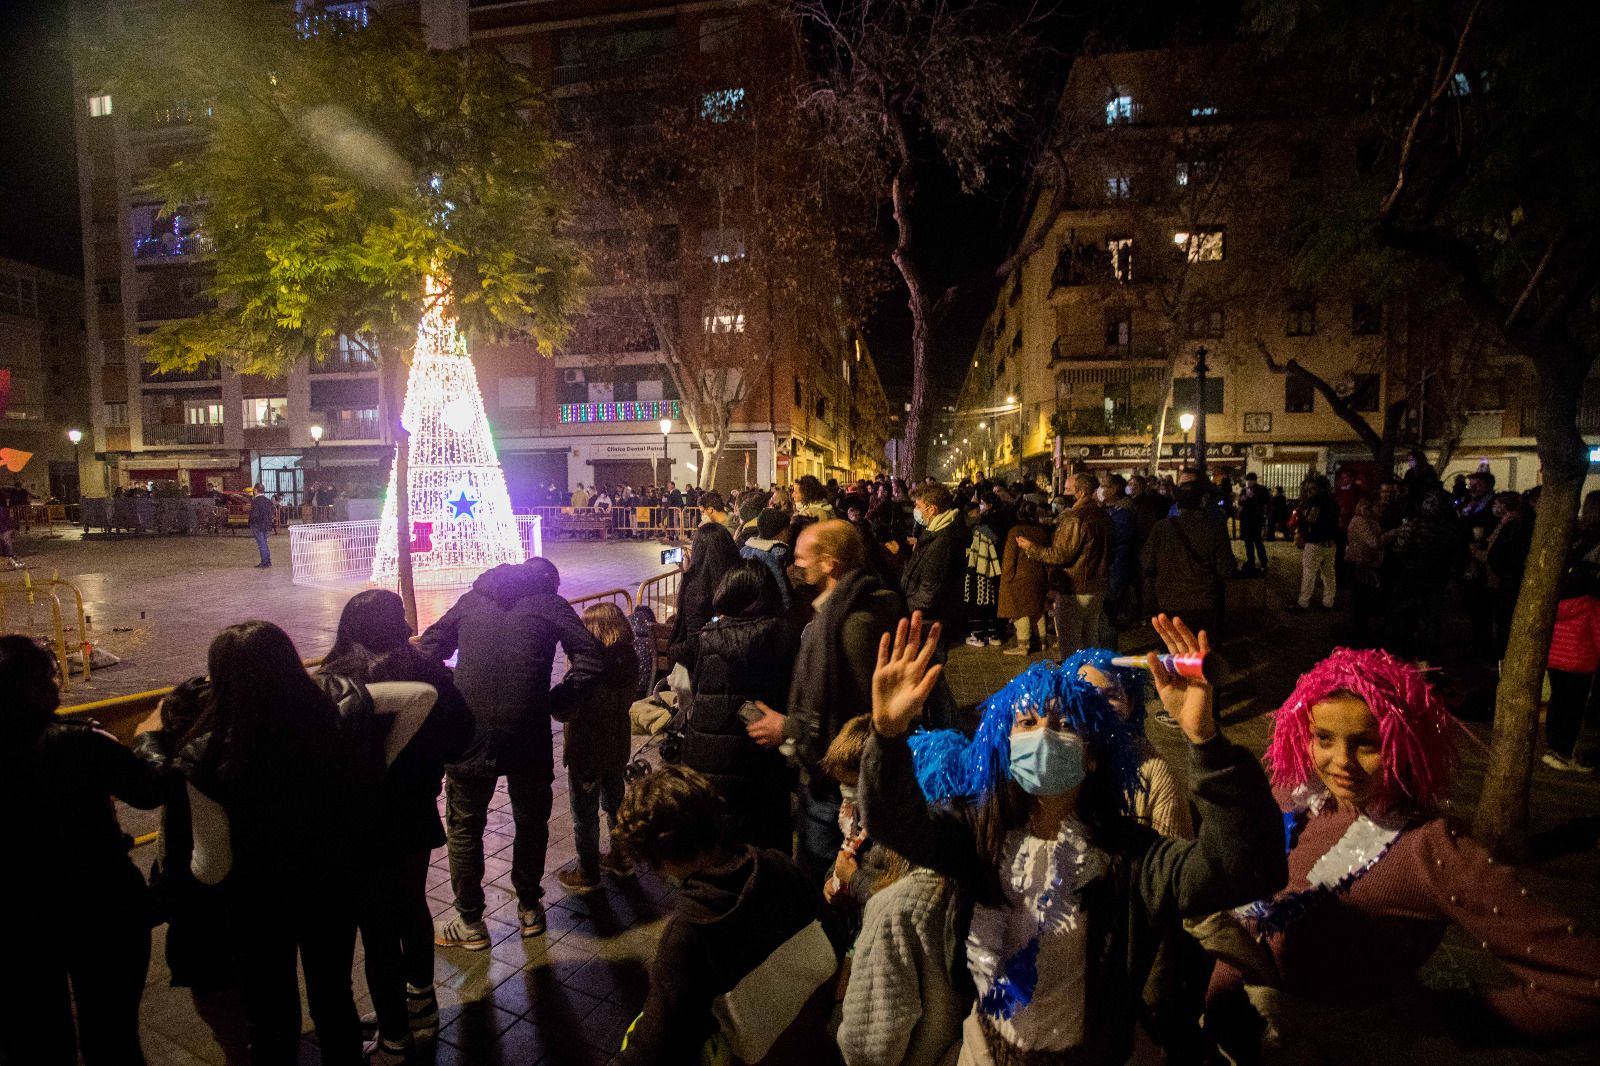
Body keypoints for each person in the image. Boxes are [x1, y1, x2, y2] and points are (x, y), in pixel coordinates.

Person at [866, 613, 1286, 1063]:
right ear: (1004, 746)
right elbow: (893, 823)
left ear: (1091, 756)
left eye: (1064, 724)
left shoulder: (1131, 855)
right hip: (986, 1051)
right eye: (1026, 722)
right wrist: (887, 735)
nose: (1043, 734)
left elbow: (1246, 869)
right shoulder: (976, 834)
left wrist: (1205, 742)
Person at [1203, 647, 1600, 1060]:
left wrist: (1439, 1017)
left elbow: (1588, 984)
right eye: (1323, 738)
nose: (1341, 762)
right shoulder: (1292, 797)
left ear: (1405, 741)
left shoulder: (1430, 849)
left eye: (1367, 743)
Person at [181, 621, 372, 1064]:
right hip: (331, 883)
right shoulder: (336, 719)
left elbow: (211, 866)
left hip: (257, 902)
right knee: (333, 993)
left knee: (270, 1011)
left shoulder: (206, 753)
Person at [418, 558, 606, 946]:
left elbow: (428, 649)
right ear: (549, 583)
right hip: (528, 731)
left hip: (469, 733)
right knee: (530, 821)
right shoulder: (551, 604)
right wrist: (562, 697)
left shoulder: (473, 600)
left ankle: (469, 921)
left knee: (466, 827)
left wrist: (455, 692)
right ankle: (529, 907)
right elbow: (592, 658)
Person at [319, 590, 474, 1055]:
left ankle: (395, 1035)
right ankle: (420, 1007)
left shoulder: (336, 681)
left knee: (377, 924)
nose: (410, 618)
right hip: (412, 811)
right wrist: (425, 764)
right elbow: (463, 734)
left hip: (360, 822)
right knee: (410, 906)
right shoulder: (428, 672)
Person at [1, 635, 164, 1066]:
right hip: (100, 904)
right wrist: (150, 737)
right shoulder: (79, 742)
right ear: (35, 686)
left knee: (39, 1033)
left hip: (20, 912)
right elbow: (149, 791)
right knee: (112, 1033)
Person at [613, 766, 839, 1065]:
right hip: (820, 1034)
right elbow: (831, 930)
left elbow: (657, 1045)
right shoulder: (775, 863)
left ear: (661, 856)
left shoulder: (688, 934)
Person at [748, 519, 901, 883]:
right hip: (828, 778)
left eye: (802, 558)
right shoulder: (843, 608)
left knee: (822, 877)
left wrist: (787, 726)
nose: (794, 565)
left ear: (830, 563)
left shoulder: (853, 625)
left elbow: (858, 715)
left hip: (835, 786)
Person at [133, 677, 249, 1064]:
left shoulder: (194, 772)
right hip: (253, 901)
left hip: (205, 909)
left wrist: (147, 736)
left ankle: (239, 1053)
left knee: (216, 989)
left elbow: (209, 866)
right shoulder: (256, 747)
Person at [682, 561, 801, 852]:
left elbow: (700, 690)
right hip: (759, 754)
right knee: (762, 846)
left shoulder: (708, 638)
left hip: (705, 756)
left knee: (719, 844)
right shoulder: (783, 636)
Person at [556, 602, 643, 890]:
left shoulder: (590, 670)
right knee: (616, 806)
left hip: (587, 752)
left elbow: (564, 710)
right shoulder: (630, 661)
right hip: (617, 747)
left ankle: (588, 872)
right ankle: (621, 858)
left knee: (584, 816)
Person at [1016, 471, 1111, 657]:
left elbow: (1060, 555)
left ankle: (1074, 680)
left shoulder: (1076, 518)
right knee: (1090, 638)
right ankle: (1090, 678)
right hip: (1097, 586)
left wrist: (1031, 548)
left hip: (1075, 588)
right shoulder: (1102, 516)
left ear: (1081, 492)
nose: (1064, 493)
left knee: (1071, 644)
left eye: (1068, 489)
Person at [1141, 481, 1236, 642]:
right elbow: (1225, 568)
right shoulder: (1214, 529)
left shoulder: (1162, 527)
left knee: (1173, 652)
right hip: (1203, 601)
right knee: (1200, 651)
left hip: (1168, 600)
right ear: (1203, 500)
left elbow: (1147, 562)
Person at [1545, 571, 1600, 773]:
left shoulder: (1559, 604)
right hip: (1580, 664)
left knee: (1558, 702)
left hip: (1556, 662)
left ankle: (1553, 748)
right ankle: (1566, 751)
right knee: (1574, 709)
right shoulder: (1591, 606)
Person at [667, 522, 742, 668]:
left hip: (706, 670)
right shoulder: (739, 578)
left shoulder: (696, 590)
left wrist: (671, 650)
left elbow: (695, 642)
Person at [998, 499, 1048, 657]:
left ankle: (1023, 645)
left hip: (1020, 577)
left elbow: (1009, 558)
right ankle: (1043, 641)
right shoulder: (1041, 531)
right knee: (1037, 609)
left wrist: (1006, 578)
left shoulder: (1016, 531)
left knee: (1020, 611)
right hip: (1038, 575)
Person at [1344, 497, 1385, 644]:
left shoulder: (1370, 521)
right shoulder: (1360, 522)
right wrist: (1393, 534)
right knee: (1360, 598)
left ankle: (1360, 629)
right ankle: (1357, 632)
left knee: (1363, 599)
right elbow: (1374, 542)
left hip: (1367, 563)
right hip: (1360, 563)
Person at [1238, 472, 1268, 576]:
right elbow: (1240, 502)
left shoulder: (1261, 489)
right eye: (1248, 480)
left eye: (1250, 480)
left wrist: (1253, 497)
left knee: (1257, 541)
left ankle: (1263, 561)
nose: (1249, 482)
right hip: (1246, 519)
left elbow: (1266, 501)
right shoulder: (1244, 490)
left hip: (1256, 519)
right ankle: (1250, 561)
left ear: (1254, 480)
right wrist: (1242, 499)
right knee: (1248, 542)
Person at [248, 482, 274, 568]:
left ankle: (265, 562)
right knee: (264, 543)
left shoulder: (255, 501)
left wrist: (251, 522)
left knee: (261, 544)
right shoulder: (267, 500)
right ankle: (267, 561)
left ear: (255, 490)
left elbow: (254, 514)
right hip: (267, 525)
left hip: (258, 525)